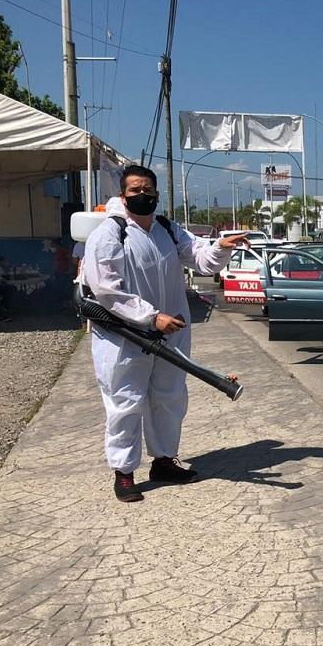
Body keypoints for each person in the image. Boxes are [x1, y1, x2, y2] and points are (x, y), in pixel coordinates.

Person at [83, 164, 248, 503]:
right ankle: (124, 473)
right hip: (124, 337)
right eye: (135, 191)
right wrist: (149, 316)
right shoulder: (110, 234)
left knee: (169, 398)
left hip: (169, 333)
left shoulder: (168, 230)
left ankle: (163, 461)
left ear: (157, 194)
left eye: (148, 191)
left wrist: (220, 246)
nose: (142, 196)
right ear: (122, 195)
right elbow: (106, 290)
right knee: (125, 403)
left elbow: (201, 259)